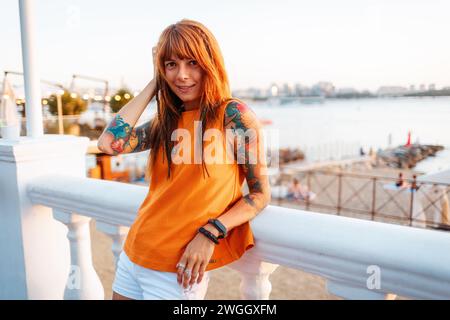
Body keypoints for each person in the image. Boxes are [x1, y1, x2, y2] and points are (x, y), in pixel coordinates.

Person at [97, 19, 270, 300]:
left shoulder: (234, 115)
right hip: (134, 252)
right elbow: (108, 143)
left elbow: (260, 195)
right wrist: (155, 83)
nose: (182, 75)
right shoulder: (166, 122)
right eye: (171, 65)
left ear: (209, 63)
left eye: (192, 63)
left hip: (178, 270)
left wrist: (211, 232)